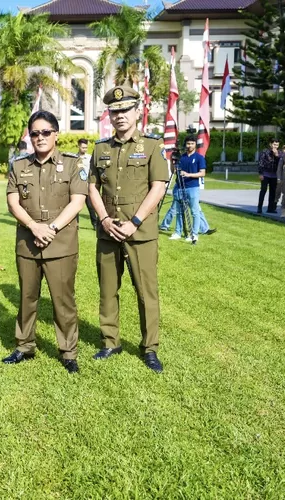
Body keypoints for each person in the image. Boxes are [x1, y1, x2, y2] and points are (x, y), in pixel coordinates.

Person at [88, 86, 168, 373]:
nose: (120, 115)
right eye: (114, 111)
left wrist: (135, 221)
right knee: (108, 290)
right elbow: (91, 188)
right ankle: (110, 341)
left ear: (137, 112)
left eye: (125, 110)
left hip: (140, 232)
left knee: (146, 292)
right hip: (108, 231)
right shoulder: (101, 149)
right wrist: (104, 220)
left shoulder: (151, 146)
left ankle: (150, 348)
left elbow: (158, 187)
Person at [4, 110, 88, 373]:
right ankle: (24, 345)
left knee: (63, 300)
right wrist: (32, 226)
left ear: (56, 134)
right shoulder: (19, 165)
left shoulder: (73, 165)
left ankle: (68, 351)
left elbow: (78, 201)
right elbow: (12, 201)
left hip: (60, 243)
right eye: (34, 133)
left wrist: (50, 228)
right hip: (28, 243)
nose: (39, 138)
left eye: (45, 132)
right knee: (27, 298)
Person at [165, 136, 205, 244]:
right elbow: (174, 171)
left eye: (192, 143)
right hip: (179, 186)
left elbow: (202, 173)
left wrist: (188, 174)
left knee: (194, 212)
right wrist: (172, 161)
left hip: (192, 187)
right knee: (179, 211)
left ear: (195, 144)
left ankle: (194, 234)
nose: (189, 146)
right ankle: (178, 232)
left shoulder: (199, 157)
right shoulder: (181, 157)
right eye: (188, 144)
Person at [78, 138, 99, 228]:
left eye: (86, 147)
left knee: (91, 206)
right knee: (76, 206)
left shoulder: (90, 158)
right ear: (78, 146)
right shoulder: (74, 158)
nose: (84, 149)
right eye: (83, 147)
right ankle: (76, 225)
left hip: (87, 185)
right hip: (78, 186)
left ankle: (94, 224)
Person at [257, 137, 281, 214]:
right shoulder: (265, 151)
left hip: (274, 175)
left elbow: (280, 163)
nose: (275, 146)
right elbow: (260, 162)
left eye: (277, 145)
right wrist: (260, 173)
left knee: (273, 192)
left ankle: (271, 208)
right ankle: (259, 208)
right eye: (274, 144)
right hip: (265, 174)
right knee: (263, 190)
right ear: (270, 144)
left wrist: (276, 155)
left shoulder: (279, 153)